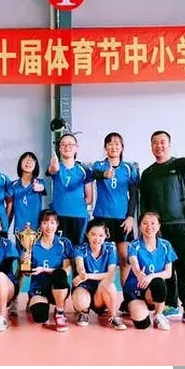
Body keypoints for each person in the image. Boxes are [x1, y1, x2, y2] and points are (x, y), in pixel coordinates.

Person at [139, 130, 185, 326]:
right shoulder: (147, 174)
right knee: (167, 268)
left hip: (180, 224)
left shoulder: (179, 165)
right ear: (151, 146)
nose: (159, 146)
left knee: (183, 267)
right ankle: (171, 304)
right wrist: (145, 228)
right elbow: (144, 204)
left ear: (169, 145)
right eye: (155, 142)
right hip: (159, 230)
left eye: (162, 142)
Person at [91, 132, 139, 313]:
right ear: (105, 147)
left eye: (117, 143)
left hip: (122, 219)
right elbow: (93, 174)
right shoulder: (99, 165)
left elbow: (134, 194)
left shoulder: (128, 168)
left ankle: (128, 300)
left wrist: (130, 216)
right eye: (110, 143)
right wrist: (104, 174)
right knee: (101, 259)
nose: (113, 146)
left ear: (122, 147)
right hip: (102, 218)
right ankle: (100, 300)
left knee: (125, 259)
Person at [6, 151, 47, 317]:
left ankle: (33, 298)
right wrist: (5, 228)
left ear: (36, 165)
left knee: (35, 266)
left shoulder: (39, 183)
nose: (29, 162)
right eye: (25, 160)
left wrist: (40, 188)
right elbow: (10, 209)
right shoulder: (13, 185)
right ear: (20, 164)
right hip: (20, 234)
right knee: (22, 267)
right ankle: (14, 299)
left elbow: (42, 189)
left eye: (32, 160)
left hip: (37, 234)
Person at [123, 212, 178, 331]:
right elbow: (133, 262)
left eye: (153, 223)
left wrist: (150, 277)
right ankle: (131, 306)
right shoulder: (134, 245)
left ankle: (158, 315)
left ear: (158, 226)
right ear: (139, 226)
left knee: (158, 282)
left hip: (152, 290)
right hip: (135, 288)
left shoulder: (165, 245)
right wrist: (139, 273)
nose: (149, 227)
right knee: (142, 324)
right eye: (145, 223)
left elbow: (168, 273)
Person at [71, 219, 127, 330]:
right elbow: (79, 265)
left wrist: (88, 276)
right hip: (85, 288)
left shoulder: (110, 249)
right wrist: (81, 273)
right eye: (93, 234)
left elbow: (111, 275)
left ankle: (113, 316)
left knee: (109, 284)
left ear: (106, 236)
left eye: (101, 235)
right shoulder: (80, 249)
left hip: (100, 295)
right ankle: (84, 312)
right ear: (87, 234)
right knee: (81, 299)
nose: (97, 239)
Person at [27, 209, 75, 332]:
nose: (49, 227)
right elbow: (26, 272)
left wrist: (44, 269)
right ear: (40, 225)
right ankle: (40, 303)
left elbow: (66, 270)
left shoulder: (64, 243)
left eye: (52, 222)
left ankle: (59, 312)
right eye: (45, 222)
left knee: (59, 274)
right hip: (39, 288)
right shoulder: (32, 244)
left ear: (57, 224)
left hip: (58, 287)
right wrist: (25, 266)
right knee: (40, 316)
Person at [46, 134, 93, 245]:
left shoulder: (84, 170)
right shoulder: (57, 167)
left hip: (79, 217)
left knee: (77, 250)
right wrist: (54, 165)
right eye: (63, 144)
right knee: (60, 249)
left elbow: (89, 199)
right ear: (59, 148)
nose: (67, 147)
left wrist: (75, 203)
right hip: (59, 217)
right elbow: (52, 170)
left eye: (71, 144)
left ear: (76, 147)